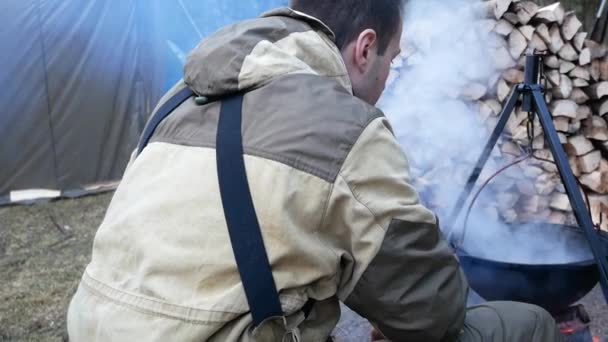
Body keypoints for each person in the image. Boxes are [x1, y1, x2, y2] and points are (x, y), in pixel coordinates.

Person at [67, 1, 562, 341]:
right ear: (366, 48)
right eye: (391, 58)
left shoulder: (177, 99)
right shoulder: (345, 126)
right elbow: (432, 312)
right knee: (526, 323)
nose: (389, 76)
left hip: (91, 325)